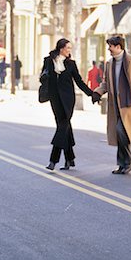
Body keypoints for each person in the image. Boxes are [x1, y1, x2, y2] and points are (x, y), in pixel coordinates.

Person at [92, 35, 131, 175]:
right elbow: (106, 83)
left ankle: (128, 161)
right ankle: (122, 164)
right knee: (119, 135)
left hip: (128, 104)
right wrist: (98, 92)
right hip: (114, 105)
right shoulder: (109, 63)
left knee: (121, 131)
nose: (109, 49)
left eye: (110, 46)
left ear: (118, 47)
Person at [42, 38, 94, 171]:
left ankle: (53, 160)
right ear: (61, 48)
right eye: (68, 48)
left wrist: (92, 94)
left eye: (71, 48)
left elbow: (79, 81)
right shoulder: (48, 61)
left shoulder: (71, 64)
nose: (70, 50)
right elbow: (42, 77)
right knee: (65, 128)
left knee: (62, 127)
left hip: (68, 100)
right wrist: (45, 77)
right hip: (55, 99)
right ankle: (70, 159)